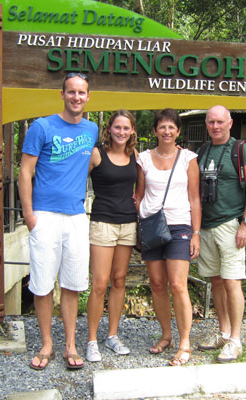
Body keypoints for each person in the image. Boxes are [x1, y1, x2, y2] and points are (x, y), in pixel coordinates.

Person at [18, 72, 98, 371]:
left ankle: (70, 344)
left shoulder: (92, 129)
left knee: (73, 284)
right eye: (71, 92)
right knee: (42, 284)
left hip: (76, 216)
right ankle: (47, 343)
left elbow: (94, 161)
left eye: (82, 93)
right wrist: (29, 215)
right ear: (62, 94)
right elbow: (25, 171)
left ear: (88, 97)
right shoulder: (42, 127)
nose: (77, 97)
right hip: (45, 216)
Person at [135, 108, 201, 366]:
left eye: (171, 127)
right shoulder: (143, 159)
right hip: (152, 226)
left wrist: (196, 232)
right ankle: (166, 335)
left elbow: (195, 198)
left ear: (178, 131)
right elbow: (138, 196)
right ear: (155, 131)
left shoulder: (188, 158)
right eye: (162, 127)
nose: (166, 131)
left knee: (177, 284)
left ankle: (185, 342)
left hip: (179, 226)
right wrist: (138, 227)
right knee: (157, 283)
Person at [196, 105, 246, 363]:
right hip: (207, 225)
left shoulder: (243, 149)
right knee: (216, 280)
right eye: (211, 122)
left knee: (233, 281)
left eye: (220, 122)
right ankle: (223, 333)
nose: (216, 126)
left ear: (230, 123)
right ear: (206, 123)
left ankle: (235, 339)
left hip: (231, 225)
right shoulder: (202, 150)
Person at [85, 110, 138, 362]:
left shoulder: (134, 155)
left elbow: (142, 186)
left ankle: (112, 335)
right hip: (103, 222)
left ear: (132, 131)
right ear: (109, 129)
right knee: (99, 282)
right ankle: (92, 340)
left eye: (126, 128)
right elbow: (75, 179)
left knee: (119, 280)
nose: (121, 132)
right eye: (117, 127)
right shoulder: (97, 154)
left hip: (127, 223)